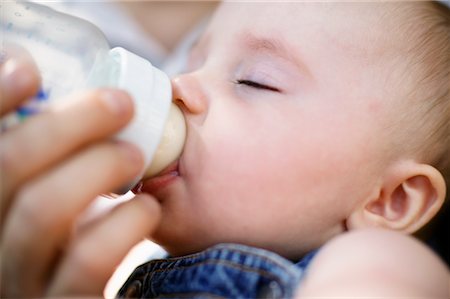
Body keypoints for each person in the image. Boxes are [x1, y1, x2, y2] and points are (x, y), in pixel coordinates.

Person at [1, 1, 449, 298]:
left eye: (255, 80)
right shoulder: (134, 261)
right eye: (193, 63)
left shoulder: (368, 266)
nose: (178, 86)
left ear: (390, 200)